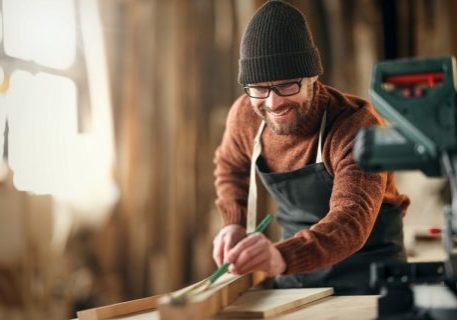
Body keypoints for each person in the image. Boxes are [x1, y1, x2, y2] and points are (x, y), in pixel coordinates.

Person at [212, 0, 410, 295]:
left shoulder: (356, 126)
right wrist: (234, 224)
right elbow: (230, 166)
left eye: (287, 85)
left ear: (313, 77)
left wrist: (282, 255)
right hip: (296, 277)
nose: (273, 102)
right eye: (259, 88)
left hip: (370, 276)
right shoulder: (245, 115)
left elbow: (351, 219)